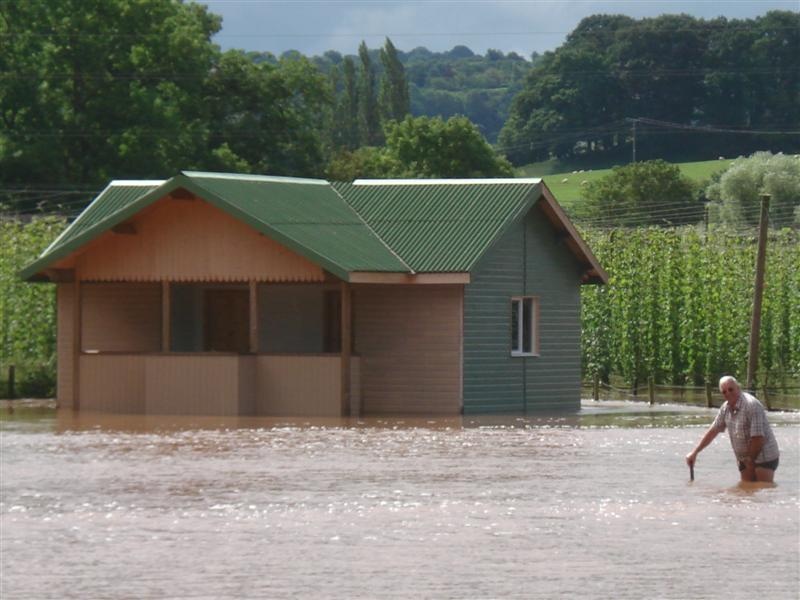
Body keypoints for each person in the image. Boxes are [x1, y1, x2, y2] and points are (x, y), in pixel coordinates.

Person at [686, 375, 780, 482]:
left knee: (763, 490)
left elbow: (758, 438)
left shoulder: (752, 406)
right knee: (746, 492)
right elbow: (713, 430)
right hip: (744, 458)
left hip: (764, 456)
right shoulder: (725, 408)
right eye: (724, 392)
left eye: (731, 389)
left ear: (738, 388)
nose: (728, 393)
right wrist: (695, 452)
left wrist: (750, 459)